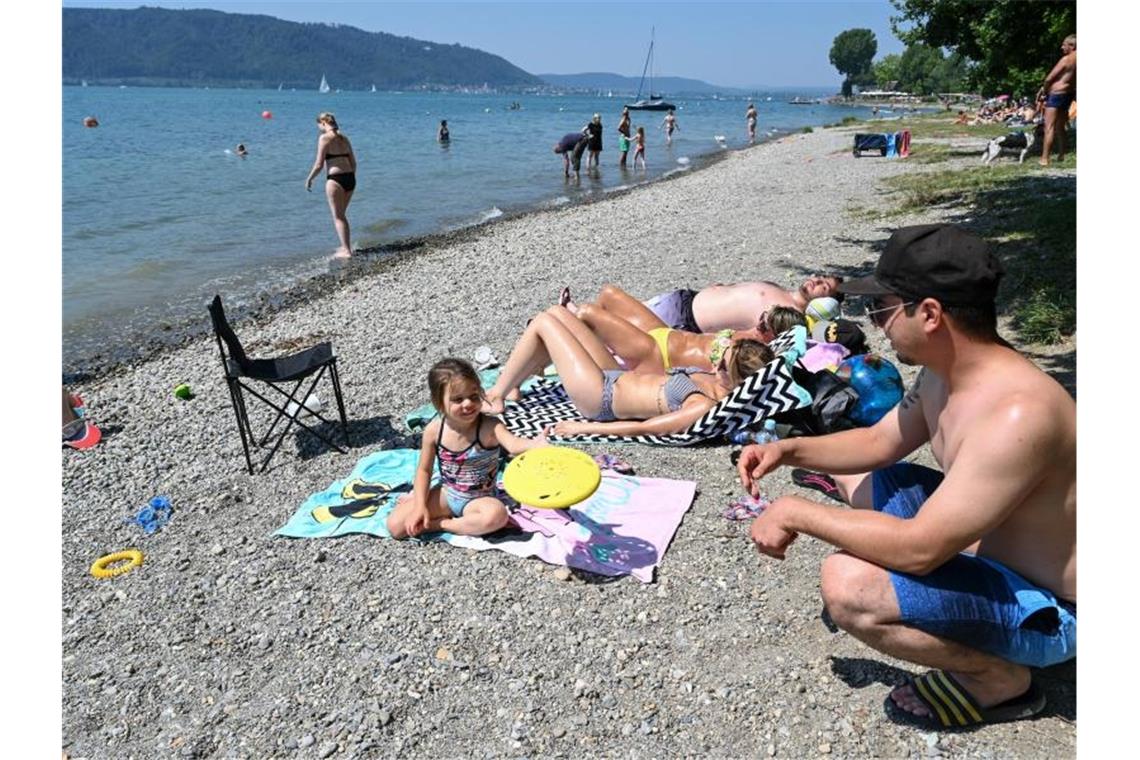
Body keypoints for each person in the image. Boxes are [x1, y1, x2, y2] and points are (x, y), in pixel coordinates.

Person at [737, 224, 1075, 729]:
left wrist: (794, 512)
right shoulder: (945, 371)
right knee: (883, 476)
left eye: (883, 310)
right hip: (990, 548)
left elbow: (920, 549)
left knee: (848, 586)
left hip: (1049, 609)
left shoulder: (1017, 414)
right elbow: (879, 442)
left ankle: (999, 680)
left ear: (931, 314)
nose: (876, 326)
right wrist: (787, 449)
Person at [483, 305, 771, 438]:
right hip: (615, 376)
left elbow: (644, 428)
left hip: (601, 398)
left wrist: (583, 428)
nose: (716, 362)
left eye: (724, 365)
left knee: (545, 322)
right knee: (560, 315)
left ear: (740, 381)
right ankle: (512, 385)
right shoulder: (713, 379)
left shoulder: (702, 405)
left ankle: (498, 393)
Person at [386, 359, 547, 539]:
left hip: (480, 499)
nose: (468, 403)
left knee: (496, 516)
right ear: (439, 402)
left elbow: (513, 444)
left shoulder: (489, 426)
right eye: (458, 399)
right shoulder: (434, 430)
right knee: (395, 526)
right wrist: (419, 506)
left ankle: (440, 524)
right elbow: (424, 470)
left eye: (474, 396)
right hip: (448, 494)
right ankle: (460, 523)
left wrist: (534, 444)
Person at [567, 284, 798, 374]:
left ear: (774, 336)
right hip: (666, 334)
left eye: (765, 325)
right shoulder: (747, 333)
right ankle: (592, 341)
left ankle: (573, 333)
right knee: (609, 294)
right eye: (762, 317)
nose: (758, 323)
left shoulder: (749, 357)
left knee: (587, 313)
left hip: (658, 356)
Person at [640, 276, 844, 334]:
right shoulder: (777, 288)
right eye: (821, 276)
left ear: (825, 302)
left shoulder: (789, 318)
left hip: (682, 321)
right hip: (682, 298)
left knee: (612, 329)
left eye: (824, 287)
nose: (816, 280)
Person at [304, 112, 357, 258]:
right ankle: (346, 246)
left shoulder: (324, 138)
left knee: (338, 217)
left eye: (319, 126)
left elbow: (319, 164)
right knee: (341, 215)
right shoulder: (344, 138)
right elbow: (353, 163)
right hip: (350, 179)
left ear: (322, 123)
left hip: (335, 179)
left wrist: (309, 178)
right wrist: (351, 178)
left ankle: (346, 250)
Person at [1036, 34, 1076, 166]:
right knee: (1060, 127)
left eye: (1064, 44)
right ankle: (1061, 154)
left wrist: (1044, 90)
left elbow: (1049, 78)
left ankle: (1045, 158)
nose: (1062, 47)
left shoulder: (1066, 60)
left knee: (1049, 127)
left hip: (1056, 94)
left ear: (1072, 46)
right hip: (1068, 94)